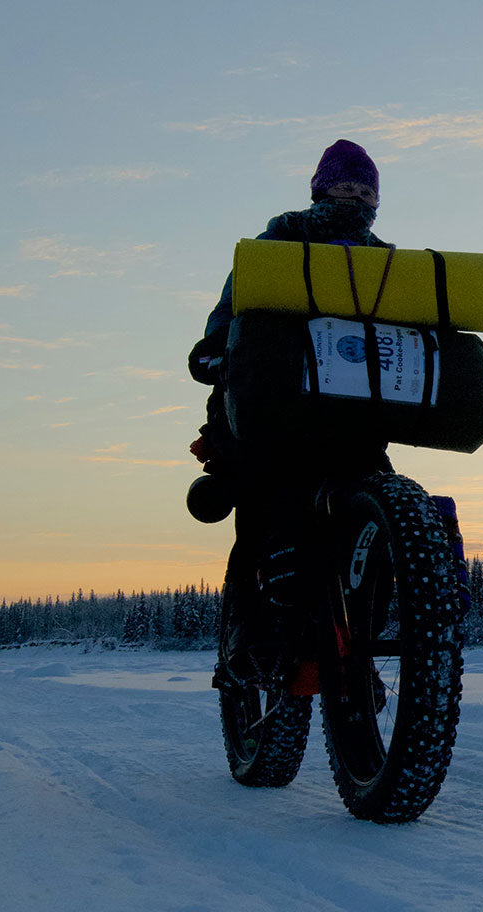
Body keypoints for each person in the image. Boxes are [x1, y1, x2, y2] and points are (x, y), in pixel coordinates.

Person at [188, 139, 395, 684]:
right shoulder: (279, 238)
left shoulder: (385, 258)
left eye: (365, 190)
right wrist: (215, 344)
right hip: (272, 401)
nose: (355, 198)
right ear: (320, 190)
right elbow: (235, 303)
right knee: (261, 498)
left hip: (347, 408)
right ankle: (245, 637)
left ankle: (362, 639)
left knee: (385, 496)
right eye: (344, 187)